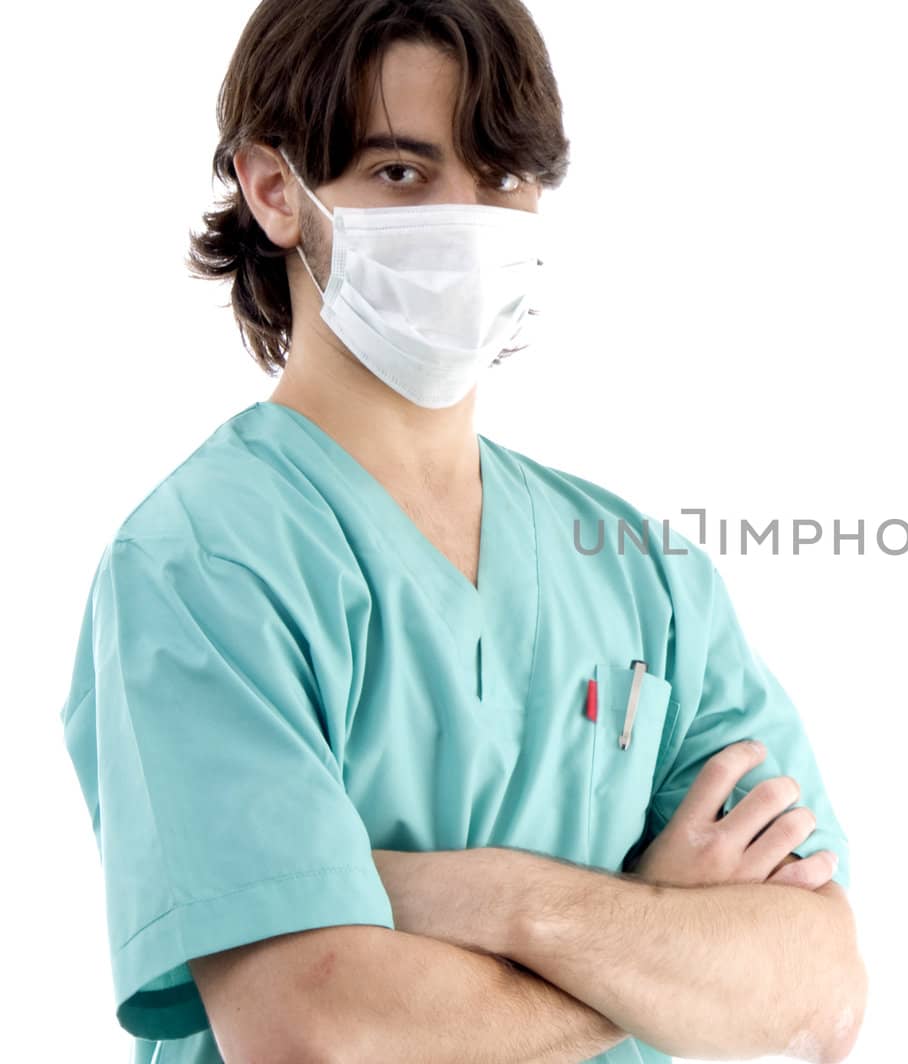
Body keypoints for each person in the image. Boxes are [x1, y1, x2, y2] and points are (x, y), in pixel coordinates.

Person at [55, 2, 865, 1062]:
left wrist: (500, 898)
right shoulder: (204, 565)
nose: (467, 217)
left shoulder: (640, 571)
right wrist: (652, 933)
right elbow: (317, 1030)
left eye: (501, 177)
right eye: (402, 173)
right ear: (272, 189)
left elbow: (816, 985)